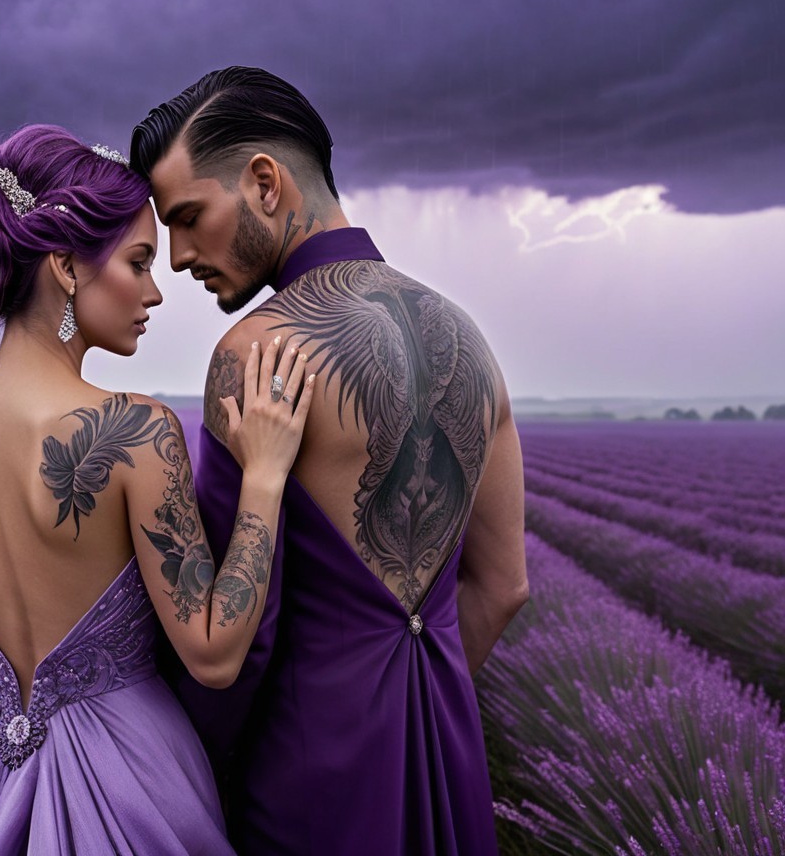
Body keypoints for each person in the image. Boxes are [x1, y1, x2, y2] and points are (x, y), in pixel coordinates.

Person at [0, 124, 315, 855]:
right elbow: (213, 654)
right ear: (66, 267)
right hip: (127, 778)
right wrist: (264, 478)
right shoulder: (135, 431)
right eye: (138, 262)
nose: (154, 292)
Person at [131, 67, 530, 854]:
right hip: (445, 757)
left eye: (188, 217)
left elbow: (243, 629)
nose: (177, 257)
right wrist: (411, 705)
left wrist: (193, 769)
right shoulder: (469, 342)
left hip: (306, 778)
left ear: (264, 182)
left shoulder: (259, 355)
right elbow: (505, 585)